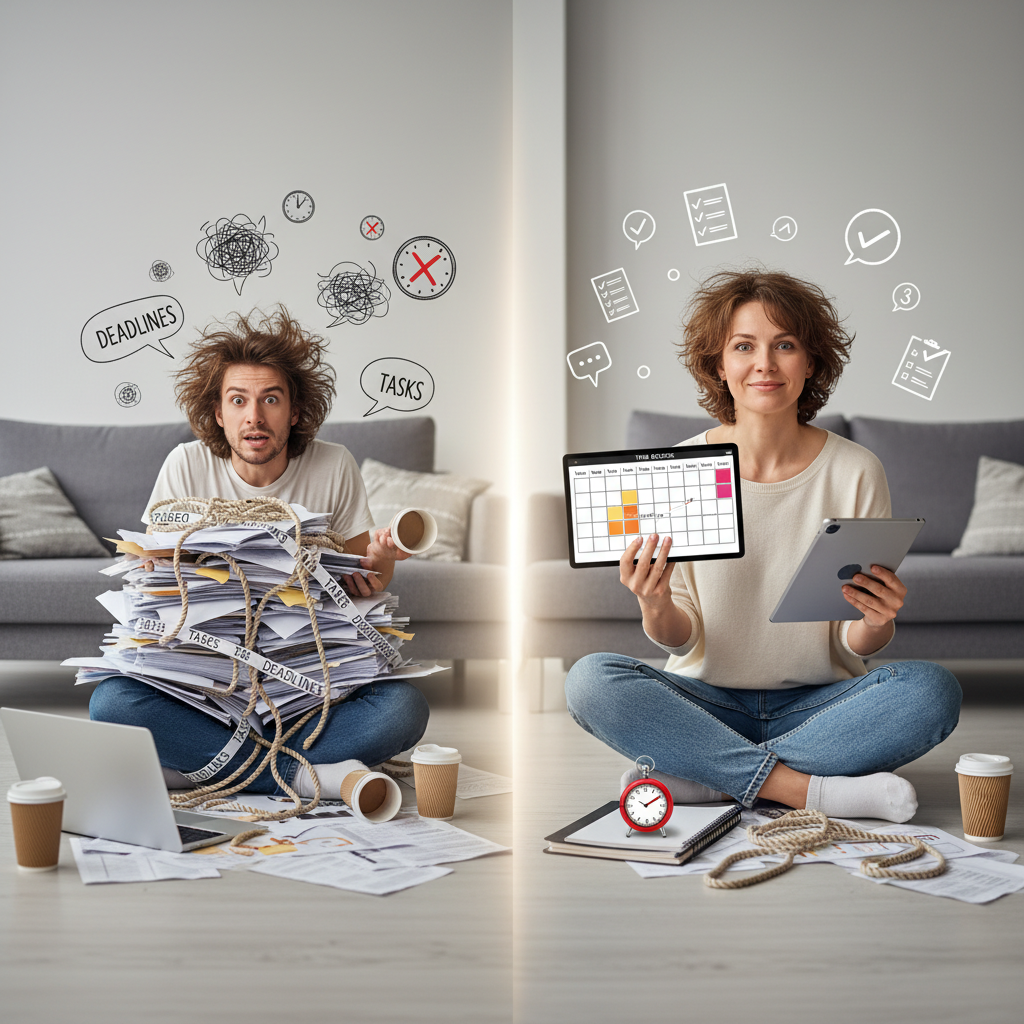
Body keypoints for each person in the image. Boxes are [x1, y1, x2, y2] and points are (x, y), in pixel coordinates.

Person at [564, 270, 961, 823]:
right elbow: (684, 636)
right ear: (719, 365)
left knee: (932, 691)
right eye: (744, 346)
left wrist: (878, 617)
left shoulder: (855, 470)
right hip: (705, 702)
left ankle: (714, 779)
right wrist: (654, 604)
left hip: (820, 703)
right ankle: (805, 790)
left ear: (811, 362)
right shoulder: (682, 469)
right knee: (589, 680)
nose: (765, 364)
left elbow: (855, 642)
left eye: (786, 346)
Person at [89, 307, 429, 796]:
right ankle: (305, 775)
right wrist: (152, 568)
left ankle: (206, 764)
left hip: (309, 691)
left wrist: (382, 565)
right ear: (218, 413)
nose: (254, 416)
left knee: (404, 710)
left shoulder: (333, 464)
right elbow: (152, 573)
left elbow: (366, 574)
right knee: (113, 702)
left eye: (271, 399)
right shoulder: (185, 464)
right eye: (238, 400)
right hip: (204, 691)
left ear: (294, 411)